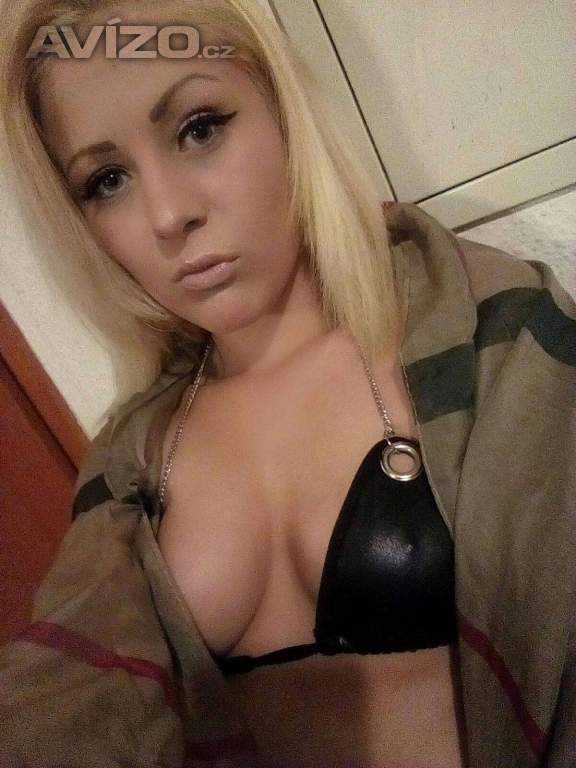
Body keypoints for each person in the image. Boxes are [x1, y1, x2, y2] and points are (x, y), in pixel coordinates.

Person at [0, 1, 574, 766]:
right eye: (107, 180)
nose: (168, 214)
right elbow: (60, 703)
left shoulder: (493, 337)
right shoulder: (130, 464)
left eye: (199, 128)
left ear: (281, 107)